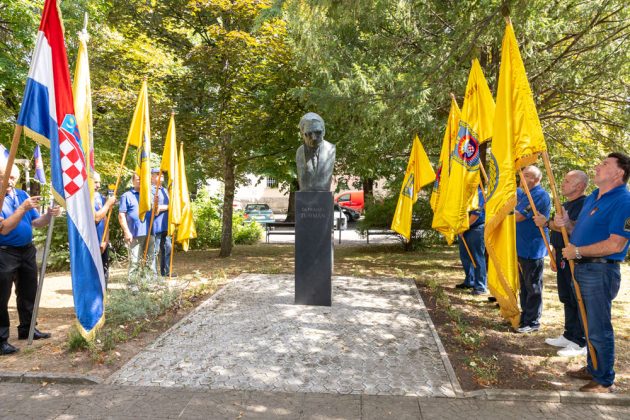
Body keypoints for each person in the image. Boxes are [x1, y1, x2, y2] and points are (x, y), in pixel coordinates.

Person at [557, 152, 630, 393]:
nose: (597, 166)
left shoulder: (625, 201)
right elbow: (577, 229)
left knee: (598, 326)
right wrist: (566, 223)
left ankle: (603, 380)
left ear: (619, 173)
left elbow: (616, 244)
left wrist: (577, 251)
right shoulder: (593, 197)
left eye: (605, 164)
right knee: (588, 324)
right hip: (582, 267)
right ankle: (593, 367)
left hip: (600, 271)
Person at [0, 164, 61, 355]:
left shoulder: (21, 195)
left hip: (26, 250)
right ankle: (1, 340)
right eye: (4, 176)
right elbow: (4, 228)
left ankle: (27, 328)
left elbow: (36, 222)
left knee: (29, 291)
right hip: (4, 252)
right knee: (1, 296)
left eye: (13, 177)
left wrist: (49, 215)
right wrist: (22, 208)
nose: (9, 181)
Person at [533, 170, 588, 357]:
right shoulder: (564, 204)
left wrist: (546, 223)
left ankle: (580, 341)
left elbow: (573, 228)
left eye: (567, 181)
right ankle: (569, 334)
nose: (562, 184)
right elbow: (558, 232)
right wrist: (554, 254)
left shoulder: (583, 204)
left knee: (577, 297)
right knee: (566, 296)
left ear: (579, 186)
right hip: (561, 255)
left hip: (575, 257)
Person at [515, 165, 550, 333]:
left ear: (537, 179)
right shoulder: (523, 194)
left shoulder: (539, 195)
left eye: (527, 175)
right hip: (521, 246)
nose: (522, 177)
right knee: (524, 285)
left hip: (532, 248)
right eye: (522, 174)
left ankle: (533, 321)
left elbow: (519, 216)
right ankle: (525, 317)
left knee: (533, 286)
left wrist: (503, 212)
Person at [118, 173, 156, 283]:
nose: (140, 181)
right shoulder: (127, 196)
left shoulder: (150, 195)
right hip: (134, 233)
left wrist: (156, 203)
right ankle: (133, 284)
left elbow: (156, 212)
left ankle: (149, 283)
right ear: (133, 181)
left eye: (142, 179)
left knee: (150, 260)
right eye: (138, 179)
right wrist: (126, 232)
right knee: (134, 261)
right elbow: (121, 215)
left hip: (149, 232)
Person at [455, 187, 487, 295]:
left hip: (476, 228)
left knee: (477, 257)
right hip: (464, 228)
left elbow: (476, 215)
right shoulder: (465, 194)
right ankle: (470, 281)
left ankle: (480, 286)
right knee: (465, 256)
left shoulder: (479, 194)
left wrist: (464, 227)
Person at [296, 112, 336, 192]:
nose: (314, 138)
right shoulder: (299, 152)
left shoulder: (331, 150)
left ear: (324, 131)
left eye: (318, 132)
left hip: (323, 194)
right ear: (302, 134)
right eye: (309, 134)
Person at [93, 172, 116, 287]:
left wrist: (106, 241)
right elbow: (96, 218)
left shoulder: (99, 197)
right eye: (95, 182)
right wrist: (107, 204)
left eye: (99, 182)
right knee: (94, 274)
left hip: (102, 242)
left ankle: (103, 295)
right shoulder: (86, 198)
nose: (98, 185)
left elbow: (105, 219)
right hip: (91, 242)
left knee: (104, 271)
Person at [150, 169, 173, 277]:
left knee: (167, 248)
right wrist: (168, 207)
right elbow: (154, 207)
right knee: (154, 251)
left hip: (166, 225)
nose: (161, 175)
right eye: (158, 174)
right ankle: (153, 274)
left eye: (162, 174)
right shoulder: (150, 190)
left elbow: (167, 206)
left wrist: (165, 207)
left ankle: (166, 272)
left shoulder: (165, 190)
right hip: (155, 225)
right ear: (152, 177)